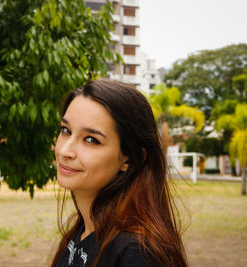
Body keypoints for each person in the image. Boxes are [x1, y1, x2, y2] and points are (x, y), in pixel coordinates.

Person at [51, 80, 187, 267]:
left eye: (91, 139)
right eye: (66, 130)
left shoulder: (136, 253)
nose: (65, 150)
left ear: (129, 158)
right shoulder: (84, 231)